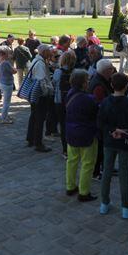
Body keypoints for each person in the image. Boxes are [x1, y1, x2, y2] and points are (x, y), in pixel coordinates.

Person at [98, 72, 128, 218]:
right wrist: (125, 132)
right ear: (126, 85)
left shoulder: (105, 102)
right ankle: (125, 207)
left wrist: (112, 130)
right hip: (124, 141)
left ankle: (104, 203)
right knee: (124, 175)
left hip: (110, 140)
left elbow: (100, 122)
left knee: (107, 172)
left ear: (111, 85)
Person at [65, 69, 99, 202]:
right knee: (88, 163)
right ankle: (84, 192)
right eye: (87, 80)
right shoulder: (89, 99)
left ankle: (70, 186)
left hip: (71, 132)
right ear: (83, 83)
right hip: (86, 134)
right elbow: (95, 114)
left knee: (72, 161)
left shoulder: (69, 94)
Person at [88, 59, 116, 180]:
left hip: (102, 121)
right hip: (100, 122)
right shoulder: (99, 85)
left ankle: (106, 166)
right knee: (100, 148)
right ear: (106, 71)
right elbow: (100, 104)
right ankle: (96, 171)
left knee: (104, 146)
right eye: (111, 69)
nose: (113, 70)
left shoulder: (102, 79)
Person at [25, 44, 54, 152]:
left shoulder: (37, 60)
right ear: (44, 52)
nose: (51, 53)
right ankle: (38, 143)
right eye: (49, 51)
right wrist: (48, 92)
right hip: (40, 95)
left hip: (34, 94)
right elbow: (42, 80)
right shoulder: (41, 63)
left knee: (33, 116)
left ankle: (31, 138)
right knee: (40, 119)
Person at [52, 51, 76, 157]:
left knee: (63, 125)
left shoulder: (58, 71)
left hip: (60, 101)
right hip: (73, 101)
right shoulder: (75, 71)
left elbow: (54, 83)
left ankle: (65, 150)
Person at [0, 46, 17, 124]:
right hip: (7, 83)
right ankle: (4, 118)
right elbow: (14, 71)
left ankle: (5, 115)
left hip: (2, 82)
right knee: (6, 102)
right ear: (5, 54)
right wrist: (13, 68)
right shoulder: (5, 62)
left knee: (6, 101)